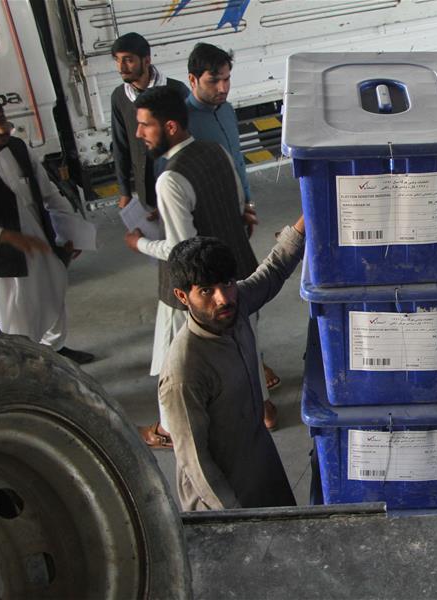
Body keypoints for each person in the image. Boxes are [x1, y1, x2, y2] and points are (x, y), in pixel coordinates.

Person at [123, 86, 262, 448]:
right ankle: (257, 412)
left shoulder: (170, 179)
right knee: (242, 351)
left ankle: (169, 431)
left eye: (145, 125)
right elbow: (234, 207)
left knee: (177, 364)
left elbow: (181, 250)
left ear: (170, 126)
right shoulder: (216, 151)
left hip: (197, 292)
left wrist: (139, 243)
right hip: (237, 277)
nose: (138, 133)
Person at [159, 220, 304, 510]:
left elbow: (274, 269)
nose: (223, 298)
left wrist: (308, 218)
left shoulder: (233, 308)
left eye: (227, 283)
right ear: (182, 296)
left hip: (260, 461)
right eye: (206, 291)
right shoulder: (184, 372)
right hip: (220, 493)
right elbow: (196, 463)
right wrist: (233, 518)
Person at [185, 42, 281, 397]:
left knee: (244, 295)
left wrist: (247, 203)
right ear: (192, 79)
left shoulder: (224, 111)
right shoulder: (184, 122)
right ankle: (246, 377)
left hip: (236, 218)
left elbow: (237, 162)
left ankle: (253, 360)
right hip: (210, 228)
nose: (223, 88)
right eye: (214, 81)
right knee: (220, 303)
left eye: (227, 79)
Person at [0, 98, 93, 364]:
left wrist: (72, 231)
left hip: (39, 242)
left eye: (1, 120)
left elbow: (49, 194)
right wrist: (5, 236)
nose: (0, 129)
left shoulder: (18, 148)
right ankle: (26, 365)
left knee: (54, 293)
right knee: (16, 317)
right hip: (5, 261)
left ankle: (55, 350)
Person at [110, 32, 188, 211]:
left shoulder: (175, 91)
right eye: (117, 60)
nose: (121, 67)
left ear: (146, 60)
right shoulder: (119, 97)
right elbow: (120, 145)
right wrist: (125, 191)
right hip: (146, 190)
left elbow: (191, 140)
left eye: (128, 60)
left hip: (177, 184)